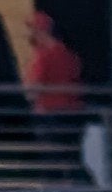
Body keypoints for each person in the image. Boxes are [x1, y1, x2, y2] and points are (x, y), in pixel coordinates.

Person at [23, 10, 101, 183]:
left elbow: (32, 89)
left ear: (40, 31)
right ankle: (88, 188)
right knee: (72, 157)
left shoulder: (43, 57)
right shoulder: (70, 55)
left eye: (31, 30)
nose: (28, 35)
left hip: (50, 115)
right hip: (74, 114)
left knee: (50, 160)